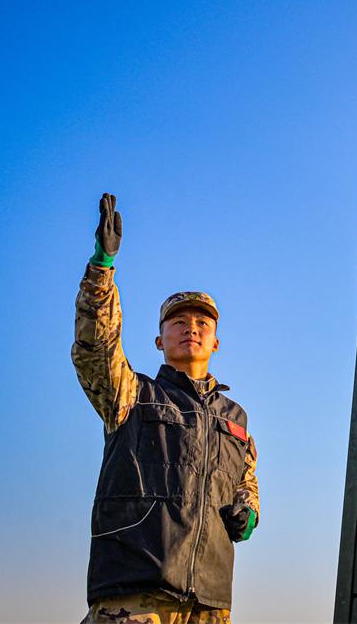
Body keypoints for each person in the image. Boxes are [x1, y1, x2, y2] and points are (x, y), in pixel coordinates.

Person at [73, 193, 259, 624]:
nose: (190, 329)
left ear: (216, 341)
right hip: (136, 592)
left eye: (201, 323)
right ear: (160, 340)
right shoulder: (130, 394)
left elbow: (246, 484)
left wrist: (248, 512)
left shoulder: (236, 418)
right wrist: (102, 268)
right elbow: (94, 347)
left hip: (210, 603)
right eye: (178, 322)